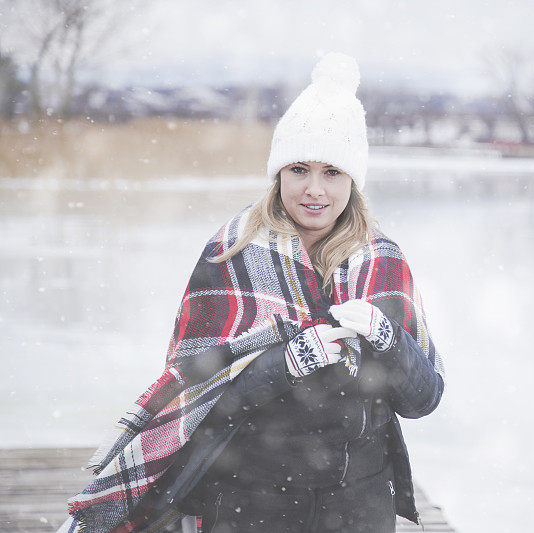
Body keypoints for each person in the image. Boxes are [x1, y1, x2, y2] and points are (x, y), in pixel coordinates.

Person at [59, 52, 445, 533]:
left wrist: (389, 339)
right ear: (278, 173)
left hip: (359, 505)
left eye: (333, 172)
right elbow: (197, 396)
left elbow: (422, 398)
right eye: (299, 168)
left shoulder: (383, 262)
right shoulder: (232, 253)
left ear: (354, 180)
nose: (314, 190)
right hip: (249, 502)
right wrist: (283, 364)